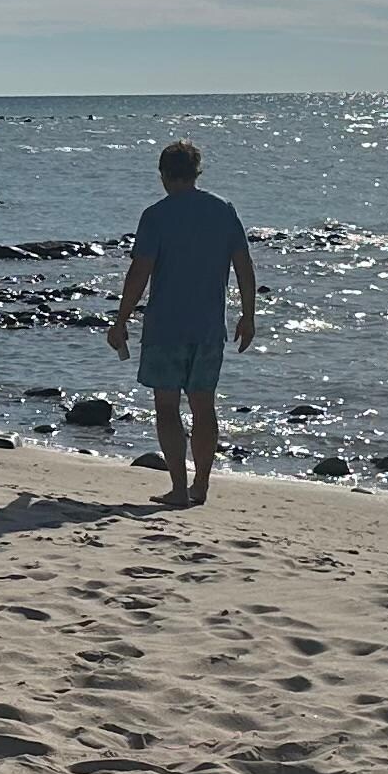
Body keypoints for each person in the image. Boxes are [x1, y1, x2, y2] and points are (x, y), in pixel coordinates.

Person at [104, 138, 256, 509]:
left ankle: (178, 487)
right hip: (208, 326)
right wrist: (248, 315)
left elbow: (140, 272)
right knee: (204, 406)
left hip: (166, 327)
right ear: (196, 172)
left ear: (164, 174)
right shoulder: (223, 210)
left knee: (167, 407)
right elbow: (243, 264)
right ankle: (200, 485)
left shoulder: (156, 216)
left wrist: (121, 319)